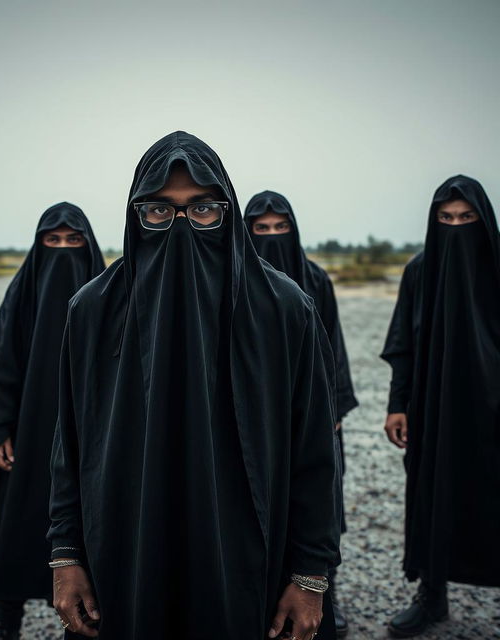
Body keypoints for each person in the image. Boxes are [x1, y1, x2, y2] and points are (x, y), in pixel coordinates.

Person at [48, 132, 342, 640]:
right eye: (160, 212)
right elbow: (71, 447)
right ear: (135, 216)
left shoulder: (283, 309)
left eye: (203, 209)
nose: (182, 226)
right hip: (125, 547)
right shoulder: (93, 309)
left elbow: (315, 451)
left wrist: (311, 574)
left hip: (249, 559)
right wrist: (66, 554)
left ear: (227, 212)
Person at [0, 203, 105, 639]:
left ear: (89, 246)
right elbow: (1, 364)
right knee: (18, 523)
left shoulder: (111, 294)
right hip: (28, 436)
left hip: (93, 437)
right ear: (39, 244)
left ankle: (88, 618)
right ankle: (6, 618)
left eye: (73, 241)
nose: (64, 250)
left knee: (93, 530)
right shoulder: (22, 292)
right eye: (53, 241)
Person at [381, 175, 500, 638]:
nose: (456, 226)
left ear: (483, 218)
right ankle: (432, 595)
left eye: (466, 218)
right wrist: (397, 404)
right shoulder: (418, 271)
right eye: (446, 218)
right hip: (434, 406)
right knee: (432, 494)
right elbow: (403, 344)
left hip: (492, 407)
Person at [244, 191, 358, 636]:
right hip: (261, 419)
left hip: (316, 415)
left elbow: (335, 349)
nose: (272, 236)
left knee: (319, 502)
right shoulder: (235, 282)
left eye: (280, 228)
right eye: (261, 229)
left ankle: (325, 591)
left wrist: (332, 408)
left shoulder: (314, 280)